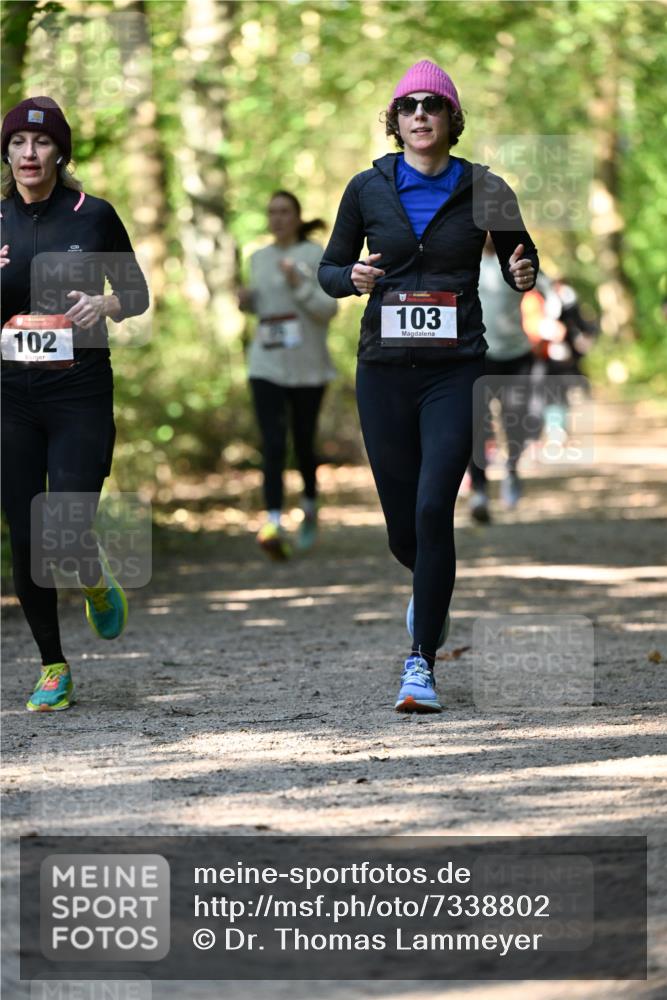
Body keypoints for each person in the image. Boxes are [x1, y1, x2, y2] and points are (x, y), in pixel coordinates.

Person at [318, 61, 538, 713]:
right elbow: (329, 269)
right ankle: (430, 593)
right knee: (401, 534)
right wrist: (348, 278)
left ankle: (420, 664)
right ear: (395, 121)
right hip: (382, 372)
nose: (419, 115)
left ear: (449, 120)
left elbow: (519, 260)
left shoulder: (487, 187)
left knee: (431, 507)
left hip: (456, 370)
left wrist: (524, 272)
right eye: (407, 106)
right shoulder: (365, 188)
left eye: (432, 106)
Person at [1, 96, 149, 711]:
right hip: (9, 396)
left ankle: (93, 579)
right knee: (26, 532)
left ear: (60, 153)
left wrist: (105, 305)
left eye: (40, 144)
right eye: (17, 144)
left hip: (79, 391)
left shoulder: (95, 216)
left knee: (63, 523)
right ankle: (53, 667)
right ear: (7, 153)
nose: (29, 154)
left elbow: (136, 293)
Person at [238, 190, 337, 560]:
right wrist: (247, 302)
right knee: (273, 442)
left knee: (303, 441)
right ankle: (274, 521)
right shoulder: (258, 258)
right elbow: (265, 309)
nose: (277, 218)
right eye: (271, 212)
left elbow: (327, 311)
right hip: (265, 364)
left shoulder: (315, 256)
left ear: (297, 217)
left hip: (308, 366)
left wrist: (299, 284)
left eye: (284, 212)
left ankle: (309, 505)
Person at [467, 234, 536, 523]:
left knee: (513, 421)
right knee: (477, 425)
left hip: (517, 355)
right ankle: (479, 490)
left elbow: (546, 287)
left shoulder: (517, 263)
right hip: (481, 355)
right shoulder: (467, 264)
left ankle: (511, 471)